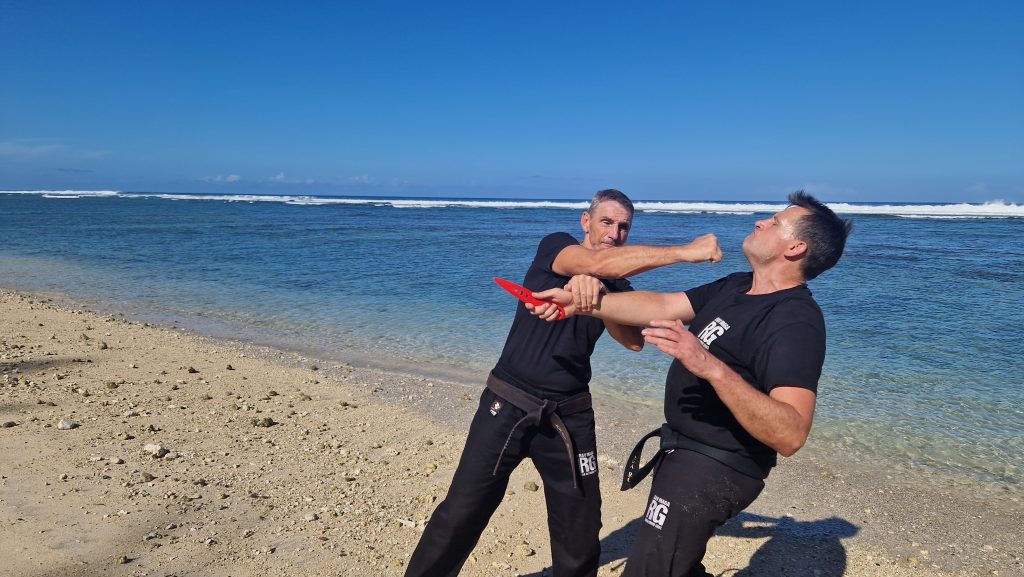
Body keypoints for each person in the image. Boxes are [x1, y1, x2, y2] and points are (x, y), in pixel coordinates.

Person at [528, 191, 852, 577]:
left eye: (775, 222)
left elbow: (791, 433)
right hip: (683, 454)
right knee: (673, 565)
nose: (760, 222)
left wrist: (709, 366)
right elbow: (662, 306)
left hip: (717, 467)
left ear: (795, 247)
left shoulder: (795, 321)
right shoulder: (737, 286)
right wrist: (579, 305)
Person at [404, 189, 723, 577]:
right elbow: (594, 262)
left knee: (581, 528)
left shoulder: (618, 288)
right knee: (463, 511)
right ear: (586, 222)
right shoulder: (556, 247)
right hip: (508, 401)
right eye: (606, 222)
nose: (615, 233)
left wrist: (600, 297)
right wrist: (685, 252)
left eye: (624, 227)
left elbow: (633, 342)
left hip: (569, 415)